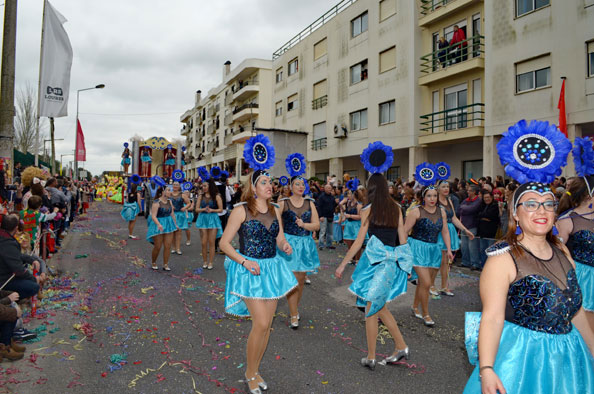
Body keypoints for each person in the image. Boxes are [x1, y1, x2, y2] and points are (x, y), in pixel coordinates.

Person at [464, 119, 594, 393]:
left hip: (570, 361)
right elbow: (492, 318)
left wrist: (593, 352)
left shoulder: (562, 249)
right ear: (515, 212)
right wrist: (487, 369)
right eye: (531, 204)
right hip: (524, 363)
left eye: (548, 204)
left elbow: (576, 311)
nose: (542, 211)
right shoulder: (503, 259)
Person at [221, 135, 297, 394]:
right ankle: (249, 373)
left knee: (267, 325)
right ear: (253, 187)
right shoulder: (241, 210)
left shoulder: (276, 210)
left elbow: (279, 238)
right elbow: (224, 244)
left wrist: (285, 246)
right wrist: (244, 261)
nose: (269, 185)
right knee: (261, 323)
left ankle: (255, 370)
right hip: (249, 270)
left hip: (272, 270)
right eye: (264, 182)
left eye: (271, 182)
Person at [335, 142, 412, 370]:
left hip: (378, 263)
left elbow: (359, 242)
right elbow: (403, 239)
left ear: (370, 189)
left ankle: (371, 356)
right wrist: (406, 265)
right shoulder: (397, 208)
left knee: (371, 306)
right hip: (387, 264)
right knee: (378, 306)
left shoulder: (367, 209)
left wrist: (342, 265)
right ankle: (400, 346)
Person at [404, 164, 454, 327]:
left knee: (423, 284)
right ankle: (426, 314)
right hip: (417, 248)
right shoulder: (416, 212)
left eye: (434, 195)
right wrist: (403, 251)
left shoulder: (442, 212)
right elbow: (404, 231)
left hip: (434, 250)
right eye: (429, 196)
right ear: (423, 198)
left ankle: (414, 307)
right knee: (426, 283)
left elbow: (445, 231)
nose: (432, 198)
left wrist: (449, 249)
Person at [277, 153, 320, 329]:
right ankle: (294, 313)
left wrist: (305, 225)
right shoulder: (283, 202)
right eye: (297, 184)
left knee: (301, 281)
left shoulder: (310, 203)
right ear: (291, 186)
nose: (301, 186)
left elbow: (316, 225)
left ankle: (294, 308)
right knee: (292, 280)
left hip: (305, 244)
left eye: (303, 184)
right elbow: (275, 222)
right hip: (289, 244)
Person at [556, 150, 594, 331]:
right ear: (590, 196)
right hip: (582, 279)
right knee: (584, 329)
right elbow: (556, 251)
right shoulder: (567, 219)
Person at [432, 176, 474, 297]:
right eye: (443, 186)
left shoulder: (450, 200)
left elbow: (454, 218)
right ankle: (431, 285)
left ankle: (444, 286)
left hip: (449, 230)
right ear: (438, 188)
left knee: (446, 262)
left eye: (447, 187)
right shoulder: (434, 200)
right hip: (439, 231)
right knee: (438, 261)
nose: (446, 189)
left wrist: (465, 230)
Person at [146, 186, 177, 271]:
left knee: (168, 245)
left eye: (170, 190)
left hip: (169, 224)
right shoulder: (156, 202)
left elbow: (172, 214)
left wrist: (175, 224)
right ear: (163, 192)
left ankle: (165, 264)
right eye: (168, 190)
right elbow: (153, 216)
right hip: (158, 225)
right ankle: (154, 262)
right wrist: (159, 224)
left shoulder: (170, 201)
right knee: (158, 246)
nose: (170, 192)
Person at [195, 177, 223, 270]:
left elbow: (221, 209)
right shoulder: (200, 196)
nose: (203, 187)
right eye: (203, 186)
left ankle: (210, 262)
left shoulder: (217, 196)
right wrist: (203, 209)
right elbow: (196, 209)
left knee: (211, 242)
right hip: (203, 219)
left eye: (205, 186)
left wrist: (212, 210)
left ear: (210, 186)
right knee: (203, 243)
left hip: (213, 219)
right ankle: (205, 261)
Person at [459, 184, 482, 269]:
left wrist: (464, 208)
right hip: (463, 226)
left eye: (469, 190)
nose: (467, 192)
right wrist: (466, 208)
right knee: (464, 246)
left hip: (472, 225)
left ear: (474, 192)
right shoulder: (465, 200)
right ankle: (465, 262)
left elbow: (472, 209)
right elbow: (459, 208)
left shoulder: (478, 200)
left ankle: (475, 263)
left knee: (472, 247)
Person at [340, 183, 365, 264]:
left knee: (357, 243)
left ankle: (357, 259)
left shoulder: (359, 205)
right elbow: (344, 211)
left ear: (354, 195)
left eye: (350, 194)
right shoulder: (348, 203)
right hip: (349, 225)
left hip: (356, 225)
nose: (348, 195)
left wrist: (350, 215)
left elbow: (360, 216)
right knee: (349, 242)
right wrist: (343, 218)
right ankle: (351, 258)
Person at [477, 190, 500, 268]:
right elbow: (478, 215)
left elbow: (491, 215)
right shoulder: (482, 205)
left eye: (488, 197)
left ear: (492, 197)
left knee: (490, 251)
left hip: (491, 233)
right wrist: (484, 217)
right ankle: (483, 266)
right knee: (482, 251)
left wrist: (483, 216)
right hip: (482, 232)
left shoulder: (495, 205)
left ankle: (490, 267)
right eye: (485, 198)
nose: (487, 199)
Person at [170, 182, 191, 255]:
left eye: (177, 185)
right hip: (171, 215)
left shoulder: (182, 195)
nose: (175, 186)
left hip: (180, 215)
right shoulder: (169, 194)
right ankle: (173, 247)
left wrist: (184, 208)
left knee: (179, 232)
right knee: (172, 231)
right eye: (174, 185)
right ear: (172, 186)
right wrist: (170, 206)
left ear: (179, 186)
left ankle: (178, 248)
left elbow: (189, 203)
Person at [316, 184, 337, 250]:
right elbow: (319, 207)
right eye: (328, 188)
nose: (329, 189)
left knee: (330, 232)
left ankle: (329, 244)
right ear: (324, 189)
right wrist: (320, 216)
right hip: (323, 216)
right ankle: (321, 245)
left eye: (330, 188)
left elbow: (333, 206)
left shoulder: (332, 197)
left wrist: (336, 203)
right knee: (323, 231)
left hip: (330, 216)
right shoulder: (321, 197)